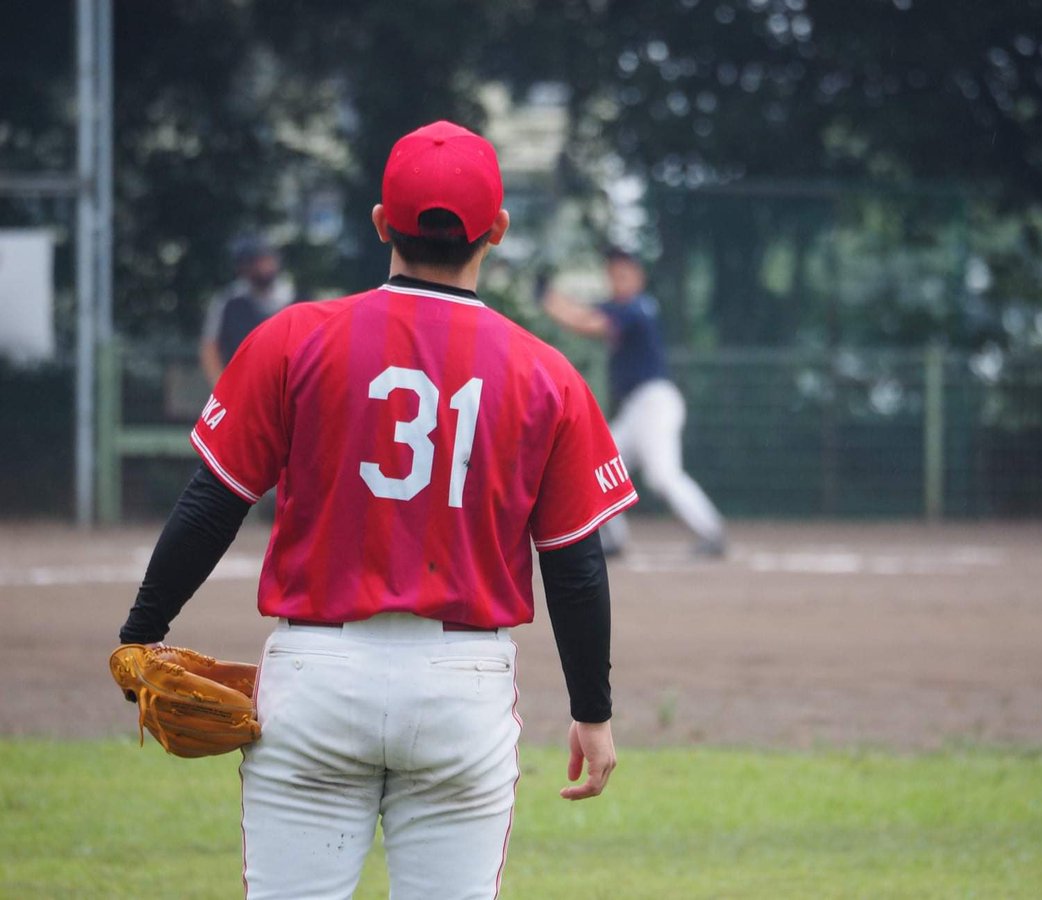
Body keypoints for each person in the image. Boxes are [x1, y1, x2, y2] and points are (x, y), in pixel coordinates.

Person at [116, 120, 636, 899]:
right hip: (462, 686)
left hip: (317, 680)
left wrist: (141, 632)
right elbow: (575, 566)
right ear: (496, 231)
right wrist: (592, 712)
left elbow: (212, 504)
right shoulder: (547, 375)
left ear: (379, 223)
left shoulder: (292, 338)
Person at [541, 249, 726, 557]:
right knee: (595, 468)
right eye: (613, 274)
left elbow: (586, 323)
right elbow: (579, 312)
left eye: (624, 274)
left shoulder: (637, 308)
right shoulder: (619, 308)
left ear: (639, 277)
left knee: (662, 476)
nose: (617, 280)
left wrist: (545, 297)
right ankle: (614, 539)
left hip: (654, 402)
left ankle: (712, 532)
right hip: (637, 408)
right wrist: (552, 297)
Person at [198, 234, 294, 385]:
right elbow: (210, 347)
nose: (263, 266)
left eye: (267, 259)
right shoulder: (228, 302)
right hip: (242, 388)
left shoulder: (297, 299)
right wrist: (222, 386)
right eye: (256, 261)